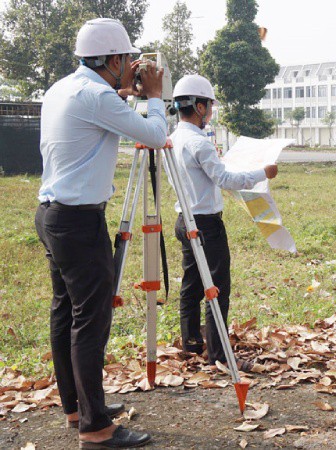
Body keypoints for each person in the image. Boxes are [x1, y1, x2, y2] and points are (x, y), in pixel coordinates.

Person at [35, 18, 166, 448]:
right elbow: (155, 134)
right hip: (78, 221)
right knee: (90, 321)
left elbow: (103, 104)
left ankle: (76, 406)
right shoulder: (97, 97)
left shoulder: (64, 89)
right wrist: (155, 97)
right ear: (113, 59)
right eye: (128, 59)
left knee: (66, 314)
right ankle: (96, 427)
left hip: (52, 216)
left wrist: (127, 93)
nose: (132, 66)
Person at [168, 74, 277, 371]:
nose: (211, 112)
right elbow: (225, 180)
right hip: (206, 225)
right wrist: (262, 173)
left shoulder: (173, 138)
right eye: (210, 106)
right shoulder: (199, 143)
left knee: (191, 284)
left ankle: (191, 343)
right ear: (200, 107)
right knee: (217, 289)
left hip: (184, 220)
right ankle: (218, 355)